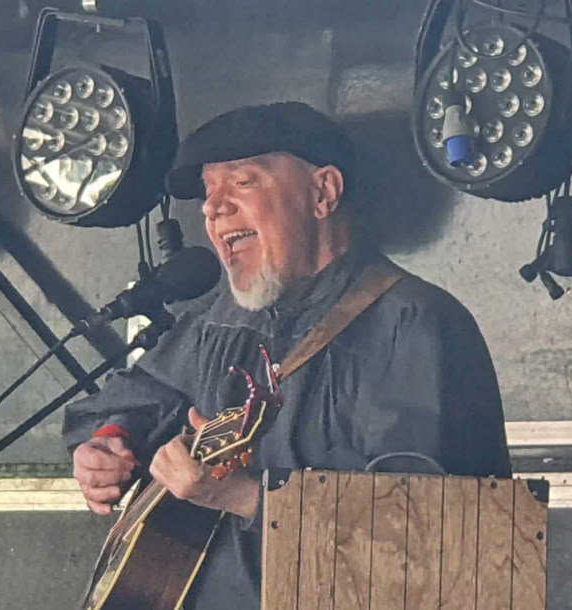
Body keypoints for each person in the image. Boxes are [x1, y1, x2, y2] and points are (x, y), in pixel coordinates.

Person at [63, 101, 511, 609]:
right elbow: (133, 399)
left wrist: (241, 495)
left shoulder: (416, 325)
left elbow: (433, 537)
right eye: (209, 192)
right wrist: (108, 443)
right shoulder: (219, 321)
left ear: (323, 193)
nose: (213, 208)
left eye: (242, 182)